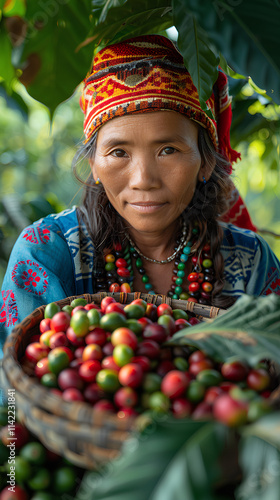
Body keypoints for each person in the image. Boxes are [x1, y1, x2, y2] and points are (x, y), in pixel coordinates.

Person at [1, 34, 280, 358]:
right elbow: (15, 394)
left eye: (168, 150)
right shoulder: (45, 252)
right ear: (94, 164)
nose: (143, 180)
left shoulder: (251, 262)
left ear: (205, 161)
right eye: (119, 152)